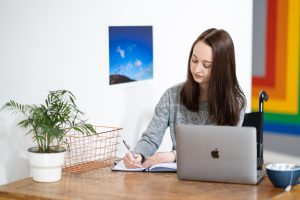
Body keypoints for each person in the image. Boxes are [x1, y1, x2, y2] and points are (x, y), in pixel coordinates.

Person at [123, 28, 246, 168]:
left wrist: (175, 155)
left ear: (222, 68)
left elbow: (221, 150)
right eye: (194, 60)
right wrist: (138, 155)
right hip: (179, 179)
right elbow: (151, 139)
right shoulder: (171, 96)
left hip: (217, 178)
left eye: (206, 65)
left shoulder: (235, 103)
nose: (196, 69)